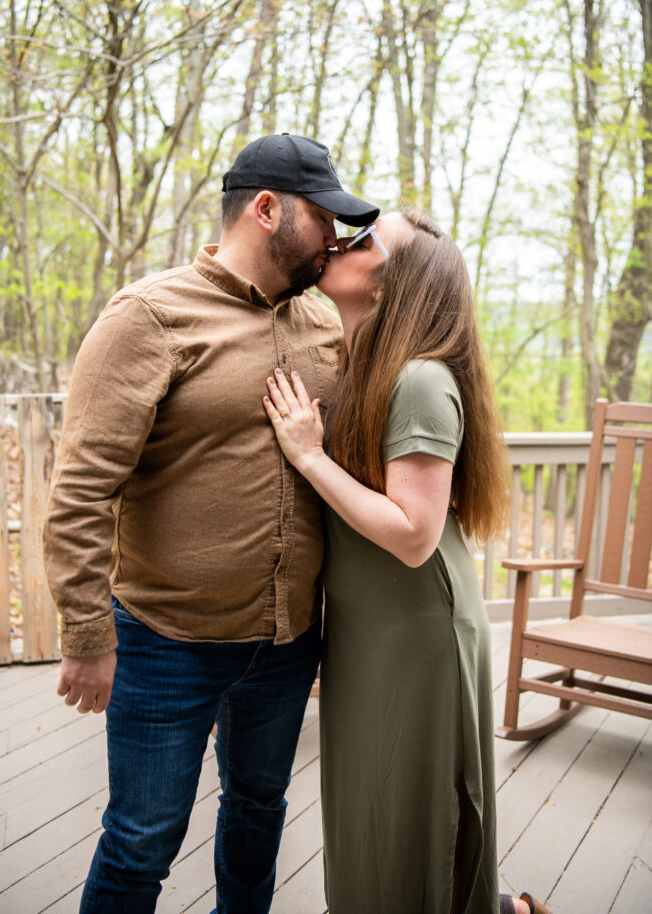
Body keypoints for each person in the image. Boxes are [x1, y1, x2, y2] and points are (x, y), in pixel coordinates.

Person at [43, 132, 379, 914]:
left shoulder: (323, 324)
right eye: (323, 216)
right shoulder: (148, 317)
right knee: (140, 839)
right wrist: (89, 636)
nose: (333, 236)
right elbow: (81, 489)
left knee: (259, 811)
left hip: (288, 641)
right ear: (266, 210)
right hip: (166, 643)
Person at [263, 207, 553, 914]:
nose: (340, 241)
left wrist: (307, 456)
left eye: (363, 241)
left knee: (415, 819)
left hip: (420, 630)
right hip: (368, 629)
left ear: (391, 287)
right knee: (369, 810)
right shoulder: (362, 361)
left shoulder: (420, 380)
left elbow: (412, 532)